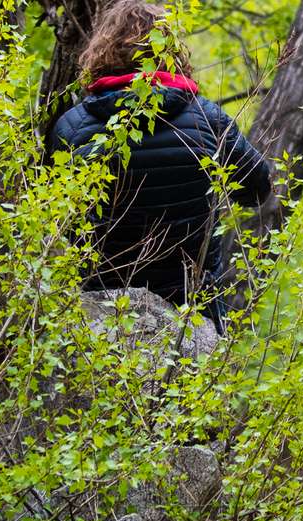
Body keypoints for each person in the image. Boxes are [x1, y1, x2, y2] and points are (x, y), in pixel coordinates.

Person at [49, 0, 273, 327]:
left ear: (102, 51)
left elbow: (58, 218)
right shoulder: (208, 119)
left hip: (99, 314)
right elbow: (257, 190)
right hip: (191, 316)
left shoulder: (73, 127)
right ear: (170, 51)